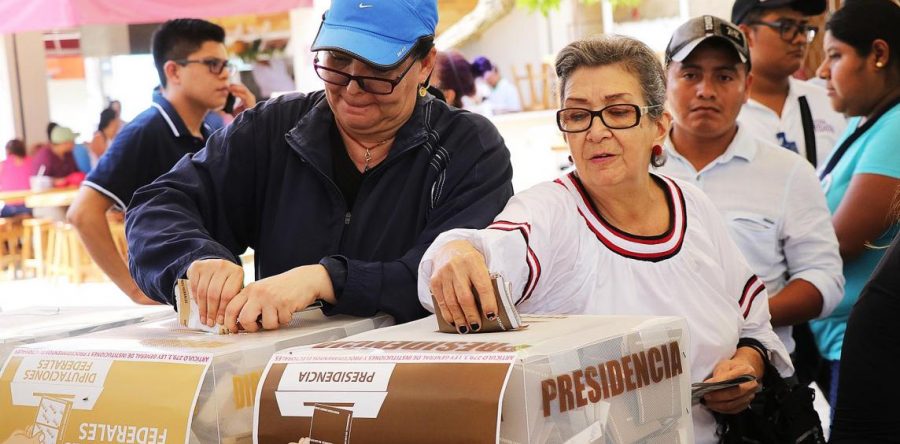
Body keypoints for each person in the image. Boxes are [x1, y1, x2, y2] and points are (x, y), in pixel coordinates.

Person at [419, 35, 791, 444]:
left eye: (617, 112)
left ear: (659, 126)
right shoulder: (550, 213)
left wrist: (747, 363)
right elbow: (488, 250)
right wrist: (456, 250)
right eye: (578, 116)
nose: (596, 131)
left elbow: (751, 317)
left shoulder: (692, 205)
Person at [125, 0, 514, 332]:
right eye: (338, 61)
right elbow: (155, 208)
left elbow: (443, 273)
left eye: (379, 69)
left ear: (426, 63)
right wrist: (195, 259)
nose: (352, 88)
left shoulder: (470, 148)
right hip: (278, 385)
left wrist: (325, 279)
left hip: (418, 386)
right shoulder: (271, 129)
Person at [657, 16, 843, 360]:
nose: (706, 90)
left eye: (725, 76)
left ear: (747, 86)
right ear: (664, 82)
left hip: (761, 381)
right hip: (655, 374)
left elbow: (825, 279)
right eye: (690, 74)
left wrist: (746, 318)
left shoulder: (789, 173)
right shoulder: (637, 172)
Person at [67, 19, 257, 305]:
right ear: (173, 71)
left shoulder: (208, 132)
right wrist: (134, 289)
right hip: (173, 299)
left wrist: (251, 127)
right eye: (212, 64)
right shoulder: (146, 130)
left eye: (226, 66)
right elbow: (82, 213)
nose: (225, 77)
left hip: (214, 295)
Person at [808, 0, 900, 407]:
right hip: (841, 342)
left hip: (871, 346)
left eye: (835, 56)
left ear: (878, 54)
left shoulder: (897, 126)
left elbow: (838, 242)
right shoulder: (864, 121)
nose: (822, 71)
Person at [732, 0, 847, 167]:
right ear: (746, 35)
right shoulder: (725, 111)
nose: (800, 39)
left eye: (803, 28)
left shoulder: (826, 101)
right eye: (786, 27)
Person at [0, 139, 33, 217]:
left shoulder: (3, 165)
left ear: (8, 151)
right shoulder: (32, 161)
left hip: (9, 207)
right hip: (29, 206)